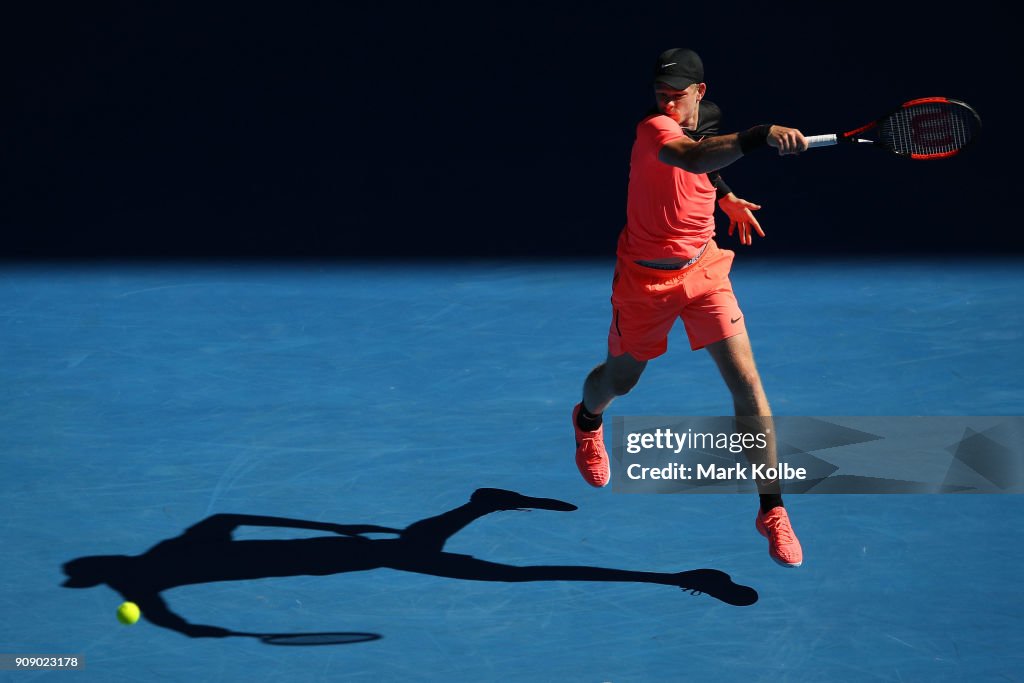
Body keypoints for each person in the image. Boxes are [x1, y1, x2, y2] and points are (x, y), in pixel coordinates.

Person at [571, 48, 806, 568]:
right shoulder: (653, 129)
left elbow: (706, 157)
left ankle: (772, 508)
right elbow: (693, 157)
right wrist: (761, 134)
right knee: (619, 381)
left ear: (700, 92)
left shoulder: (704, 123)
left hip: (704, 270)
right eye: (660, 94)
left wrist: (725, 196)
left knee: (747, 385)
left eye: (677, 95)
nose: (667, 103)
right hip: (645, 283)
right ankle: (587, 421)